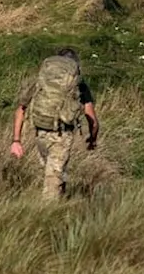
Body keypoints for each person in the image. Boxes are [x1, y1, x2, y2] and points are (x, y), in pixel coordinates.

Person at [10, 48, 99, 201]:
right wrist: (92, 139)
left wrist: (16, 140)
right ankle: (47, 216)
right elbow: (92, 119)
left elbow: (21, 109)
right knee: (52, 181)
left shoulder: (41, 80)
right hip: (61, 136)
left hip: (40, 133)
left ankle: (61, 205)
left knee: (54, 173)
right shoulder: (78, 84)